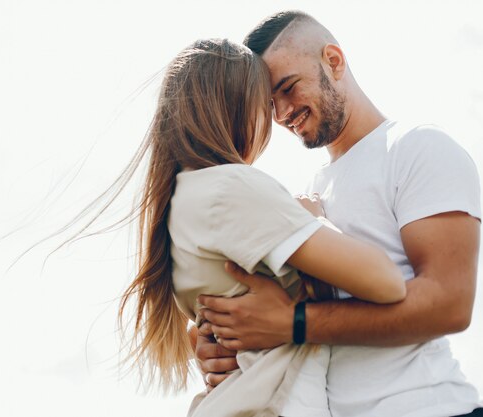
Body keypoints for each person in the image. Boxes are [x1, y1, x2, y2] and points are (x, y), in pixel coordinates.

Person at [195, 10, 483, 417]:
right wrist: (222, 343)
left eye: (288, 88)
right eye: (270, 103)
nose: (281, 115)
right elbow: (264, 310)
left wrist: (294, 323)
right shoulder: (304, 193)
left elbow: (449, 304)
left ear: (333, 61)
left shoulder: (418, 148)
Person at [110, 38, 407, 417]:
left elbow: (212, 313)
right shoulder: (232, 187)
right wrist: (313, 216)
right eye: (265, 105)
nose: (275, 119)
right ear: (236, 107)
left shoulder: (179, 201)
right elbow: (386, 280)